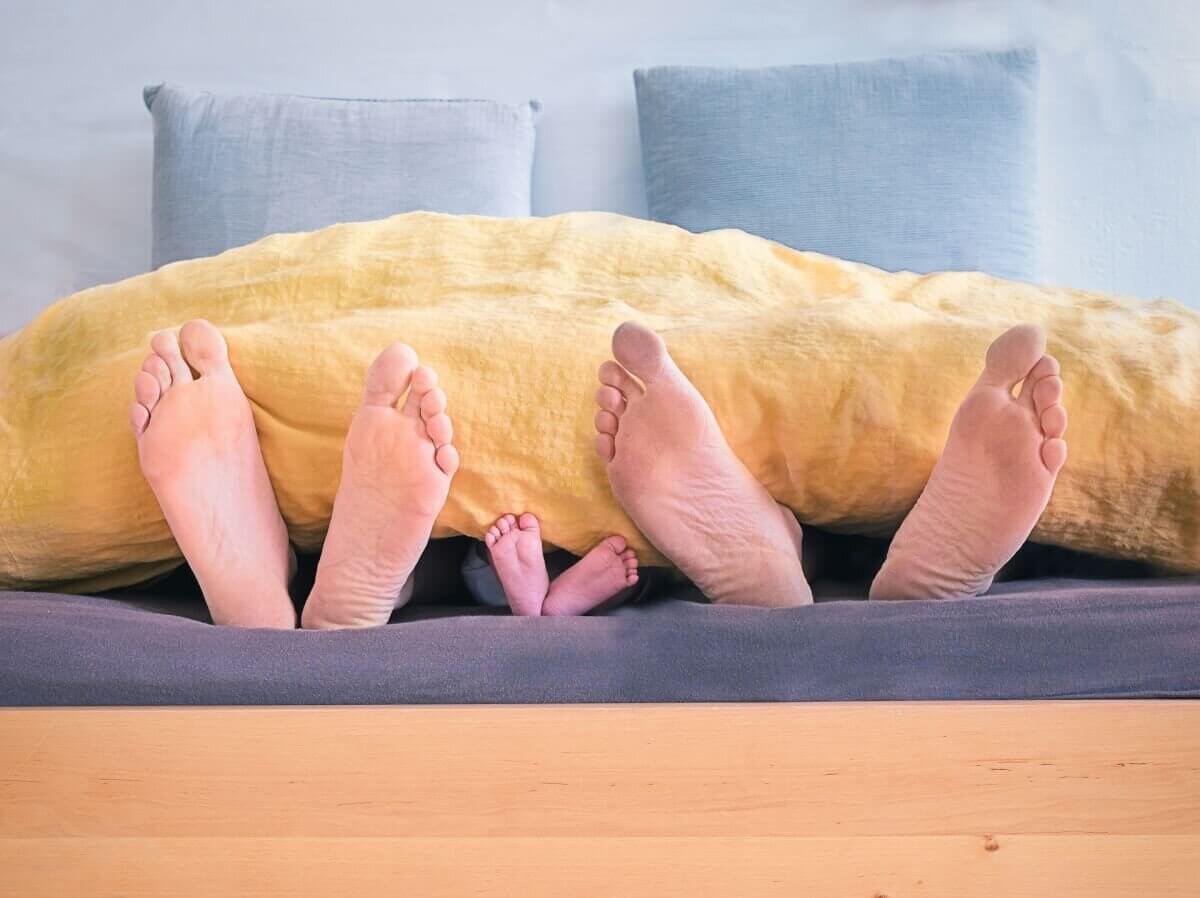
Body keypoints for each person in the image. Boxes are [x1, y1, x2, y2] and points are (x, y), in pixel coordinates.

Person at [128, 319, 639, 628]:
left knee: (444, 545)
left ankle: (273, 578)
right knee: (622, 554)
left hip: (480, 555)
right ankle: (540, 606)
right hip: (510, 560)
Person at [591, 321, 1068, 606]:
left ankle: (776, 544)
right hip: (906, 506)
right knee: (866, 539)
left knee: (804, 547)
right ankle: (922, 566)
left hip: (785, 519)